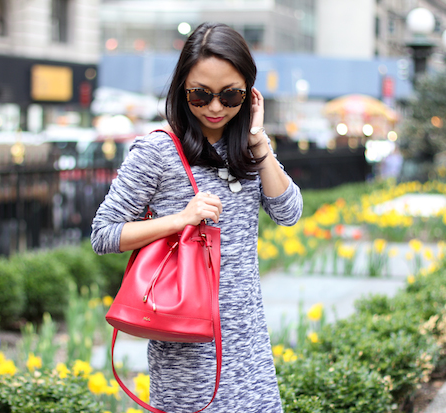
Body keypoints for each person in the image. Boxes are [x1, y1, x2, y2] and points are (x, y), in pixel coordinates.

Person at [91, 22, 303, 412]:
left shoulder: (248, 152)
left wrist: (259, 142)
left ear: (250, 95)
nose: (216, 107)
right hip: (185, 344)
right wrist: (179, 220)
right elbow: (104, 234)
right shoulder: (157, 152)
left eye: (231, 95)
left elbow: (289, 213)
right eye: (200, 94)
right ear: (181, 89)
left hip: (247, 340)